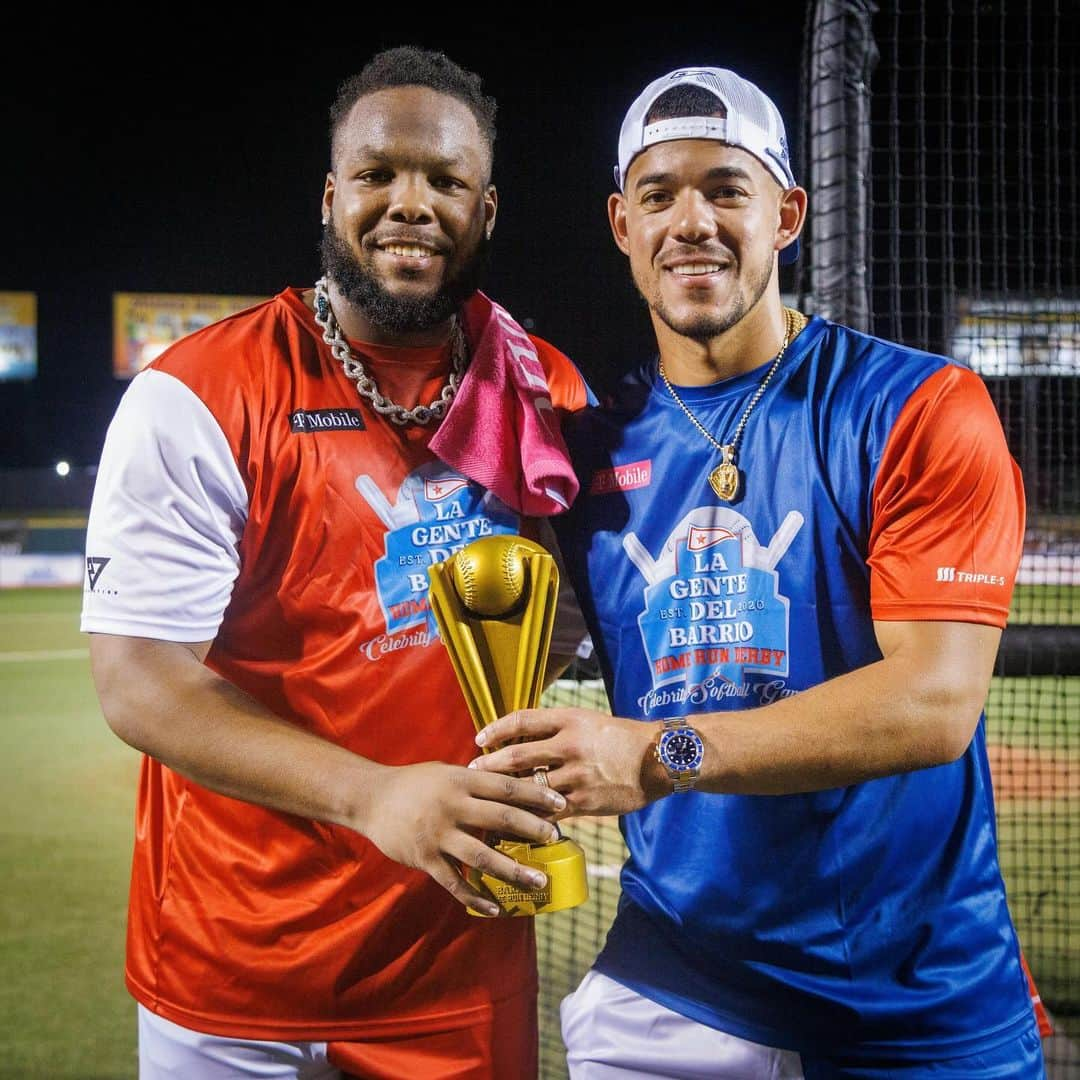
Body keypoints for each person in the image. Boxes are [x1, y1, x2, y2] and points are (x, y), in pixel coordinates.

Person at [470, 66, 1050, 1077]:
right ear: (622, 224)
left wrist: (658, 756)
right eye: (659, 194)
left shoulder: (915, 409)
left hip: (920, 1002)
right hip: (680, 991)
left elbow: (934, 704)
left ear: (787, 215)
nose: (690, 220)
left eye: (724, 189)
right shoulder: (585, 456)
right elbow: (510, 647)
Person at [81, 45, 592, 1080]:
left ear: (485, 211)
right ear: (331, 196)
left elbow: (576, 614)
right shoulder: (200, 393)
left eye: (446, 180)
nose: (412, 203)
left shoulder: (544, 393)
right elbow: (141, 682)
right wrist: (376, 797)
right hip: (232, 976)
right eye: (379, 174)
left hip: (456, 960)